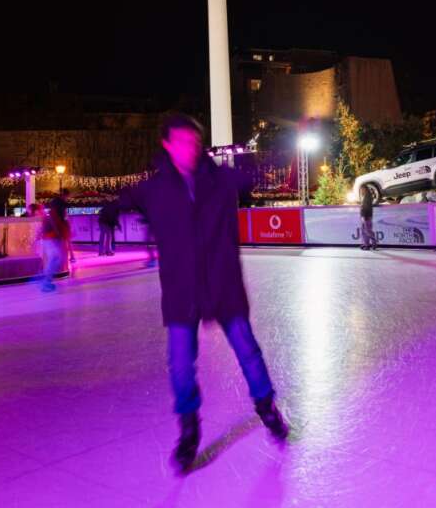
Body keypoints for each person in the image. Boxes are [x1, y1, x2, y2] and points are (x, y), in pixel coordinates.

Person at [100, 113, 288, 473]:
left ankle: (267, 408)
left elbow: (252, 177)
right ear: (167, 145)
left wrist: (260, 167)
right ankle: (189, 430)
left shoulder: (219, 180)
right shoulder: (154, 189)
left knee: (248, 350)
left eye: (194, 142)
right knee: (181, 365)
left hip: (223, 283)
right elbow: (123, 200)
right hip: (182, 290)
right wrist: (108, 212)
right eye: (182, 142)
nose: (189, 149)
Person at [36, 196, 70, 292]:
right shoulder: (52, 214)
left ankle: (45, 279)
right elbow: (53, 227)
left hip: (52, 239)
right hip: (51, 240)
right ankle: (45, 280)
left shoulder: (55, 214)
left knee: (57, 259)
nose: (64, 208)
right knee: (56, 259)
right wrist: (60, 235)